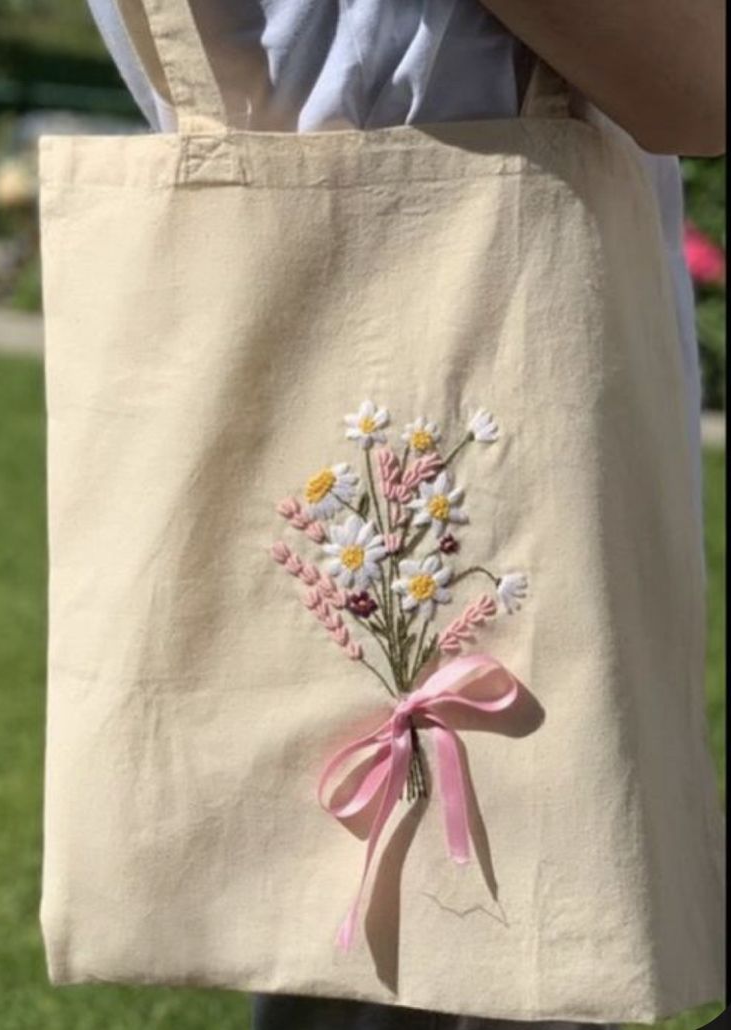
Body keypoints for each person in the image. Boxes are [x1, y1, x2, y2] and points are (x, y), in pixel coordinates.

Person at [78, 4, 725, 1029]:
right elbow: (697, 83)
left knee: (350, 956)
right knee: (508, 924)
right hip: (506, 332)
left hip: (320, 304)